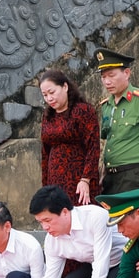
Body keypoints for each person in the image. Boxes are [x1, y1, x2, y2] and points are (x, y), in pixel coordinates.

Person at [95, 48, 139, 199]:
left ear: (126, 73)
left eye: (111, 75)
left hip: (134, 174)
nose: (107, 81)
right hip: (110, 176)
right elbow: (105, 141)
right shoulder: (106, 106)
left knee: (134, 220)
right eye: (103, 77)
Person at [39, 69, 101, 205]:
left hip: (79, 179)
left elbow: (93, 147)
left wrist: (86, 179)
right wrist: (45, 187)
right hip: (54, 180)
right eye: (44, 95)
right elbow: (45, 152)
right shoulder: (48, 116)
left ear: (65, 87)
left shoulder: (83, 111)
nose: (49, 98)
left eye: (52, 92)